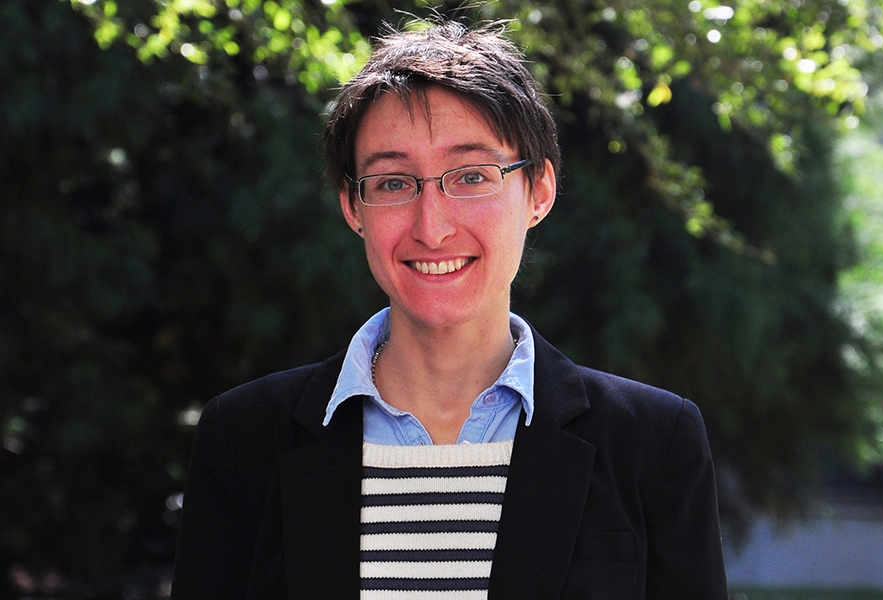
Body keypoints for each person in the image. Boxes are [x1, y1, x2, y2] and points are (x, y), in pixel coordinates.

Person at [171, 19, 728, 600]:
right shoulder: (244, 440)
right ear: (352, 207)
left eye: (470, 176)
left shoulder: (652, 445)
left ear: (538, 191)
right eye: (392, 183)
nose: (432, 227)